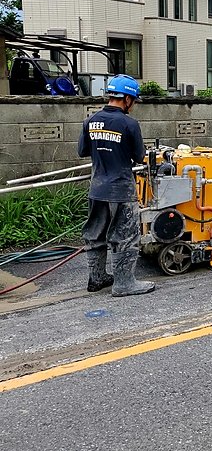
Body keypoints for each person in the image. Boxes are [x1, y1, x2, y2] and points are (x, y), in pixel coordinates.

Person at [78, 74, 155, 297]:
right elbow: (140, 157)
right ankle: (123, 284)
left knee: (95, 234)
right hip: (121, 190)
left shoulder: (90, 121)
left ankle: (97, 278)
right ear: (128, 99)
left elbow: (83, 151)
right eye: (134, 101)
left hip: (97, 188)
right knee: (125, 235)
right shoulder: (129, 123)